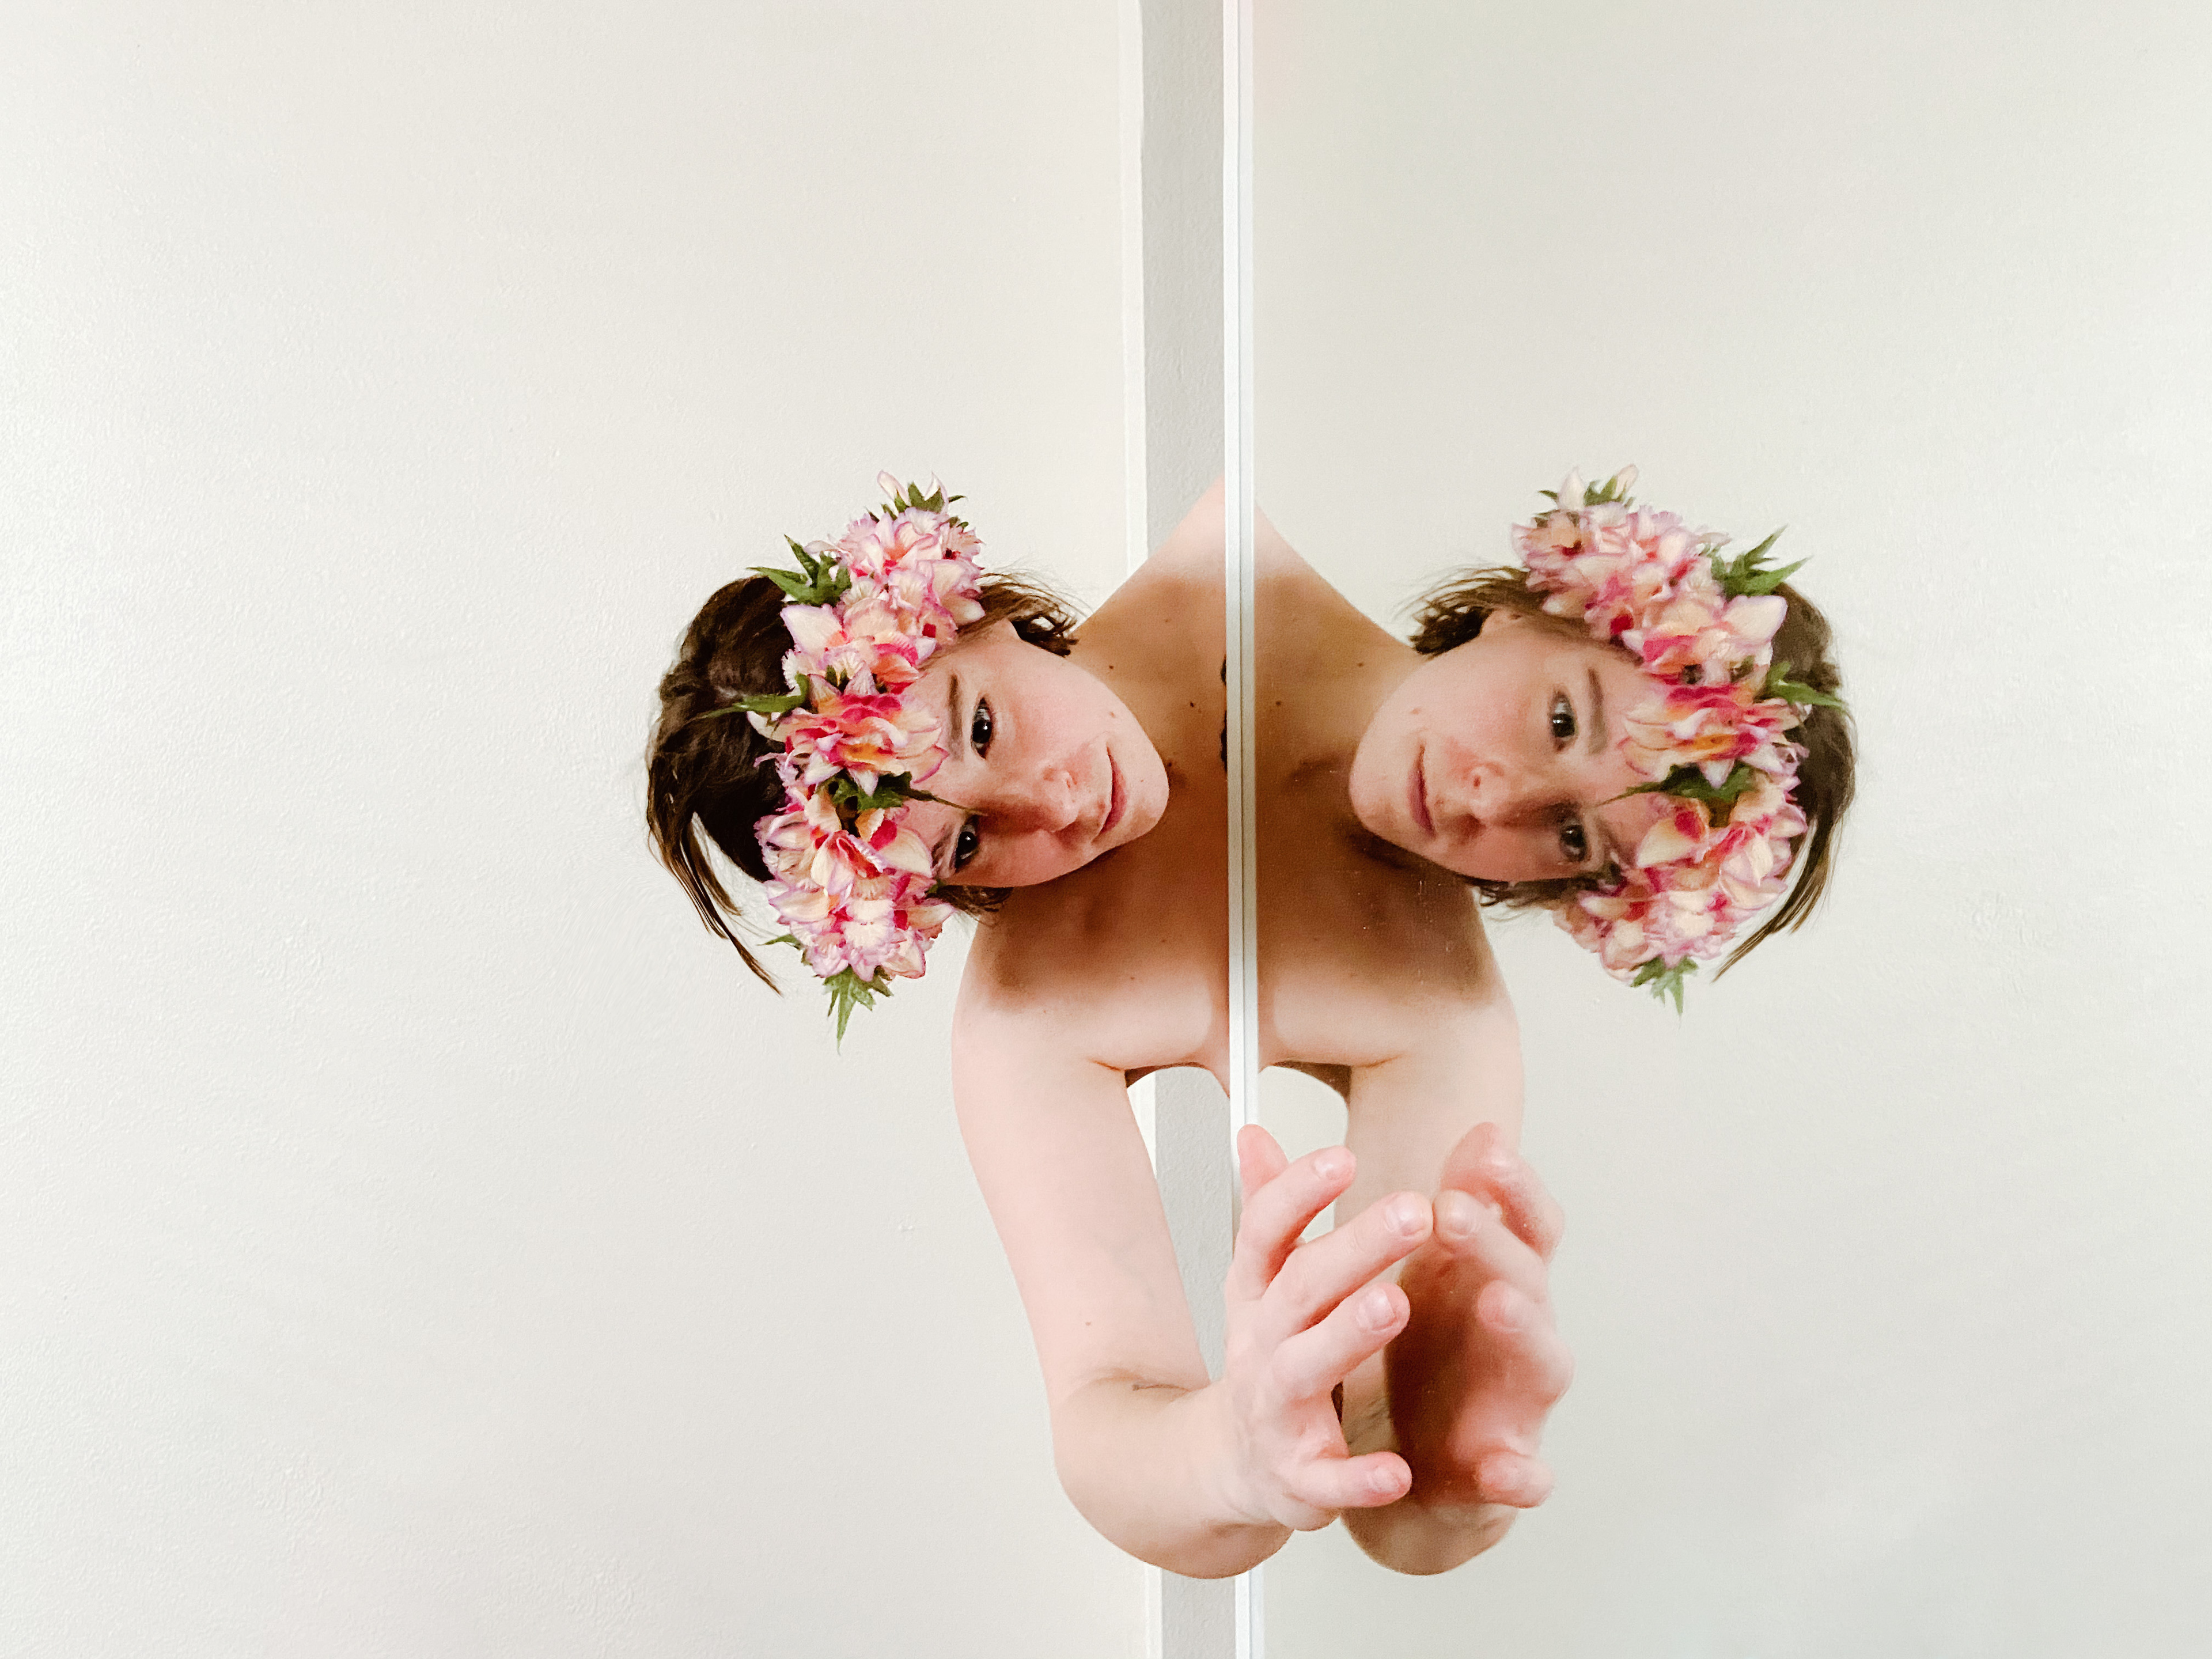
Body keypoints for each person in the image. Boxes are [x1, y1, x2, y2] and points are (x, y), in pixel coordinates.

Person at [645, 468, 1852, 1578]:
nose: (1051, 802)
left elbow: (1400, 1501)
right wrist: (1230, 1454)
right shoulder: (1037, 1005)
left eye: (1575, 834)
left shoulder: (1435, 1003)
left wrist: (1457, 1456)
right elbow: (1106, 1414)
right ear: (1549, 610)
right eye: (964, 840)